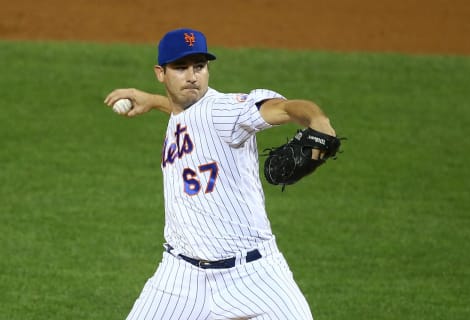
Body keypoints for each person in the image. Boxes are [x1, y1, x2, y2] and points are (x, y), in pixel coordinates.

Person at [104, 28, 337, 320]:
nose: (192, 76)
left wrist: (317, 118)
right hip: (180, 277)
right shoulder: (184, 113)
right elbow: (185, 113)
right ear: (160, 73)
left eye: (199, 67)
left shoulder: (226, 111)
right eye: (180, 68)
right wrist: (152, 101)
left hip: (253, 274)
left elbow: (285, 108)